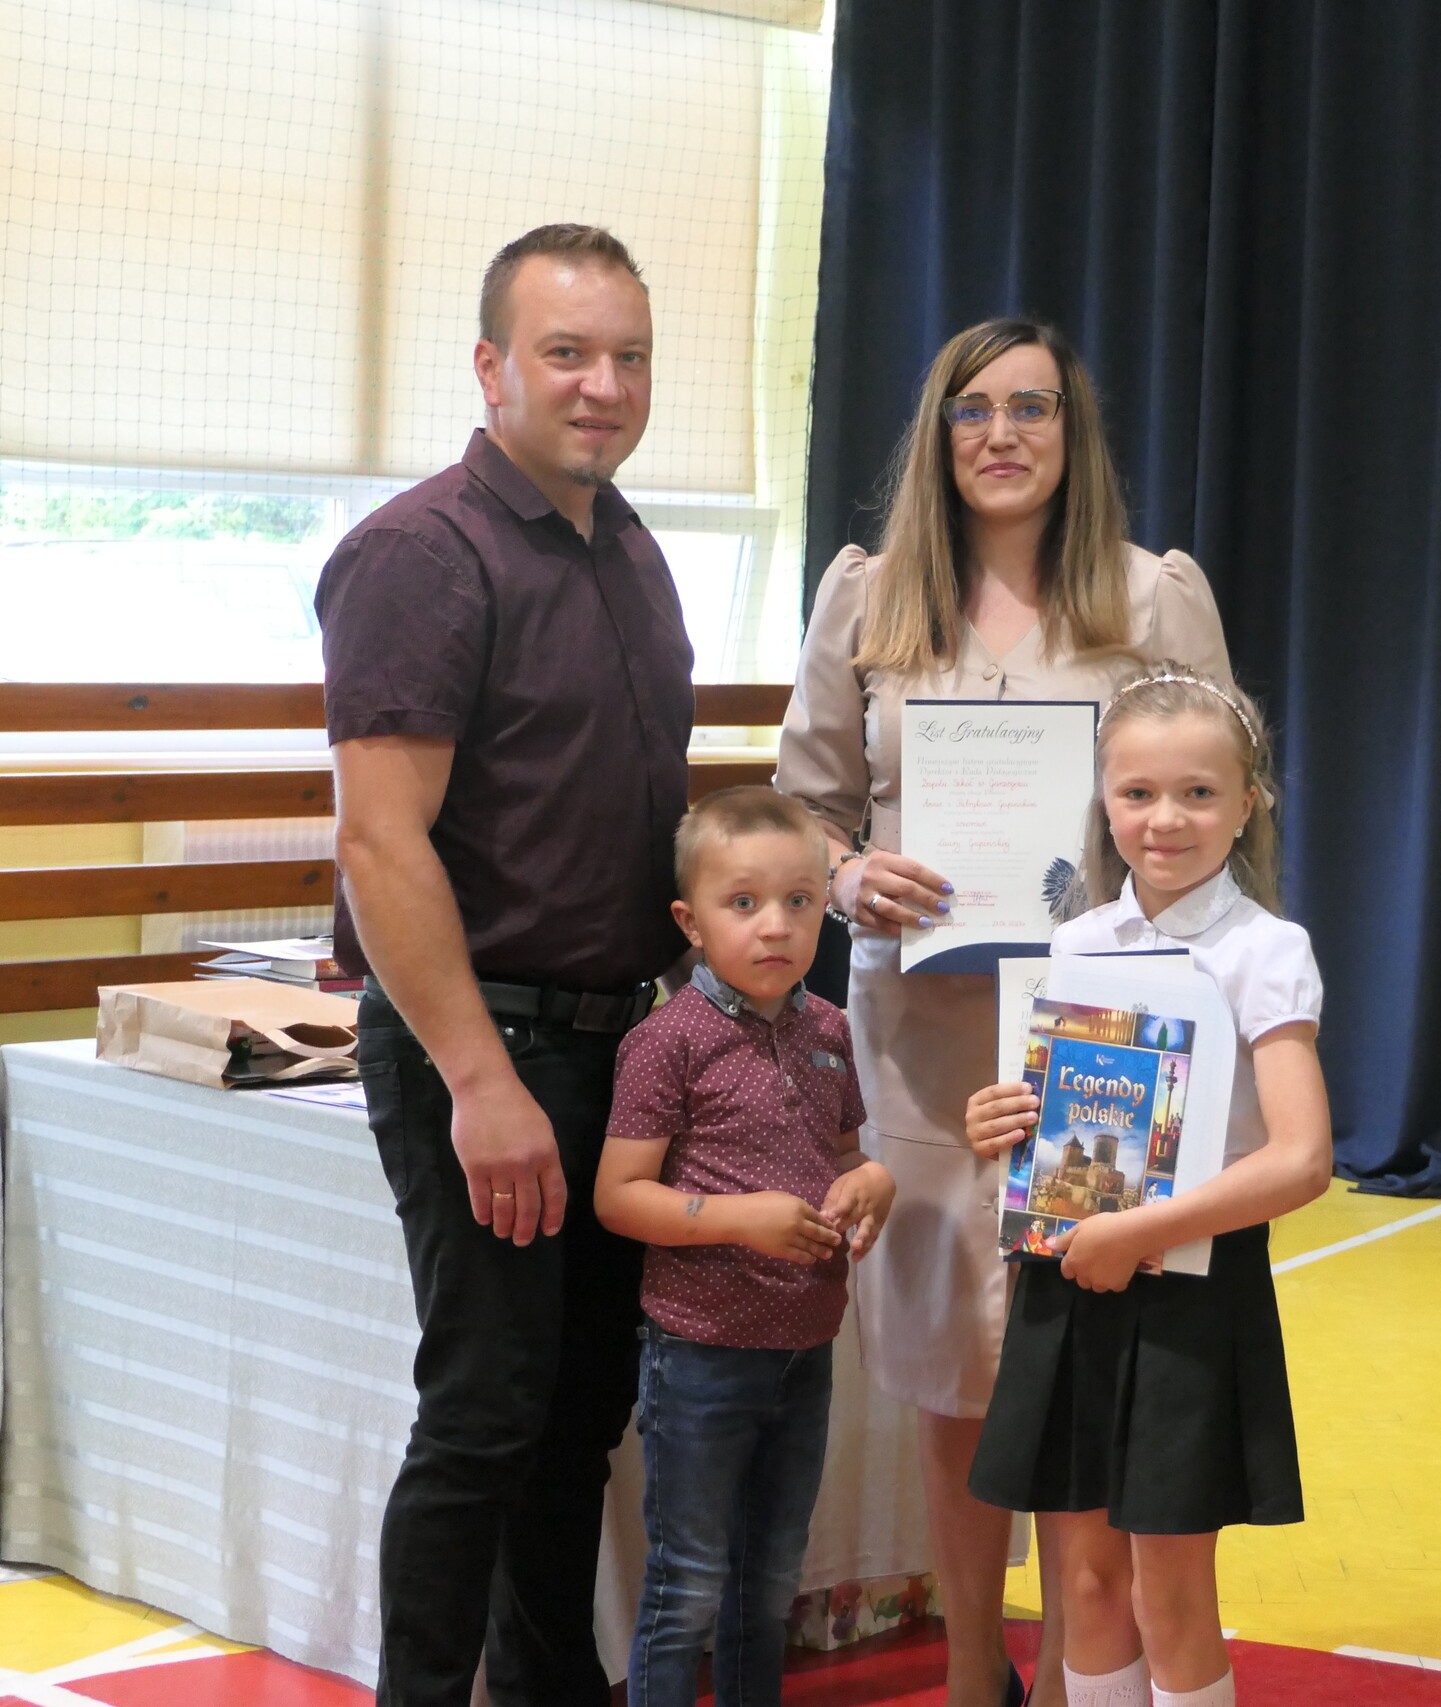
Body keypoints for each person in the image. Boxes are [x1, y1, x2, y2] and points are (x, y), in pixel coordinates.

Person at [776, 317, 1231, 1707]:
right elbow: (806, 807)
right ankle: (976, 1668)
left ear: (1071, 431)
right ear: (938, 436)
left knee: (1086, 1340)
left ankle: (1089, 1664)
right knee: (952, 1364)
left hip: (1100, 1032)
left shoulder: (1151, 596)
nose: (1002, 435)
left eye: (1031, 407)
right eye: (972, 410)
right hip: (922, 1035)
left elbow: (1218, 801)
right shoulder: (868, 597)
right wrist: (847, 874)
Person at [319, 223, 691, 1707]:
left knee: (578, 1412)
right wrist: (480, 1080)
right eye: (566, 353)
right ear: (491, 367)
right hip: (492, 1046)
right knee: (484, 1412)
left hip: (620, 1047)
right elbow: (379, 842)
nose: (603, 385)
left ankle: (549, 1688)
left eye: (629, 356)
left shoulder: (630, 546)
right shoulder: (423, 554)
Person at [962, 666, 1333, 1707]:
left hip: (1191, 1293)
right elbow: (1060, 1128)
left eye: (1198, 793)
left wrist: (1142, 1230)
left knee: (1170, 1590)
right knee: (1085, 1583)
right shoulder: (1075, 943)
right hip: (1071, 1280)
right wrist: (997, 1122)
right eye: (1137, 792)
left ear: (1247, 802)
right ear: (1104, 800)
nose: (1165, 819)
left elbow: (1303, 1157)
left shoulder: (1265, 951)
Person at [595, 788, 898, 1707]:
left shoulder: (830, 1030)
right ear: (691, 921)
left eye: (800, 901)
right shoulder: (667, 1042)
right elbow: (619, 1196)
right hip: (700, 1352)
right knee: (687, 1583)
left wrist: (874, 1183)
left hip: (805, 1350)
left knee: (768, 1584)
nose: (776, 925)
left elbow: (845, 1160)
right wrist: (741, 1217)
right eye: (743, 902)